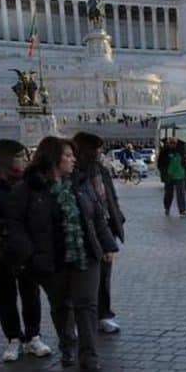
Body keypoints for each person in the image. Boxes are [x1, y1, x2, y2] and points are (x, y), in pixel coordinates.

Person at [4, 137, 118, 372]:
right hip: (50, 258)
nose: (73, 159)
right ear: (53, 158)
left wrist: (107, 246)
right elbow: (15, 225)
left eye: (73, 155)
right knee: (61, 305)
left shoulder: (80, 182)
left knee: (86, 305)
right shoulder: (27, 188)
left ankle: (89, 357)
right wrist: (30, 254)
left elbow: (97, 215)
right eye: (67, 155)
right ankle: (67, 344)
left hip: (85, 254)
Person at [0, 140, 52, 362]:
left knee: (30, 291)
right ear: (6, 159)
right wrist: (6, 224)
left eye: (26, 156)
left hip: (25, 246)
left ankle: (33, 335)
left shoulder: (29, 182)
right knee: (5, 293)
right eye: (20, 156)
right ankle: (13, 338)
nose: (25, 161)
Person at [73, 132, 125, 335]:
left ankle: (104, 314)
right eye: (96, 150)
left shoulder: (101, 171)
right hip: (84, 231)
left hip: (105, 228)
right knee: (83, 279)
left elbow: (111, 197)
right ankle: (82, 319)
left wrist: (117, 218)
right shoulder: (75, 174)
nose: (99, 153)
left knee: (104, 276)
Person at [157, 137, 186, 217]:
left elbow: (184, 163)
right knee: (168, 194)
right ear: (168, 143)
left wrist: (184, 173)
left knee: (180, 194)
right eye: (171, 143)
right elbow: (160, 164)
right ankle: (167, 208)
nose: (173, 144)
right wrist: (164, 173)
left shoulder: (180, 151)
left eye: (174, 143)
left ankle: (182, 210)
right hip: (169, 177)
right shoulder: (164, 152)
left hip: (179, 176)